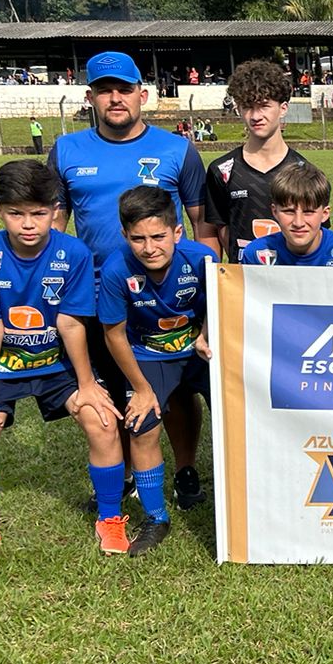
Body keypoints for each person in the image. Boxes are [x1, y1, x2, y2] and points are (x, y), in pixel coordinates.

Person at [46, 50, 207, 510]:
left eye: (124, 89)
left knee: (174, 389)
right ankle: (120, 477)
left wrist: (205, 296)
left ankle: (185, 468)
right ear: (90, 96)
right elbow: (56, 228)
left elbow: (202, 228)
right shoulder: (68, 149)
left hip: (167, 296)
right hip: (96, 294)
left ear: (143, 93)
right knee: (110, 390)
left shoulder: (177, 148)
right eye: (104, 90)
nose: (115, 98)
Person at [0, 160, 125, 574]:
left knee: (102, 421)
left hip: (58, 366)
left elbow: (70, 322)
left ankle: (110, 519)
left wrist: (86, 385)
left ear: (55, 209)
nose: (28, 224)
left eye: (38, 213)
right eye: (16, 213)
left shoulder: (74, 253)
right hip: (1, 369)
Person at [98, 187, 215, 556]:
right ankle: (156, 517)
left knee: (240, 415)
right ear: (124, 236)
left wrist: (205, 334)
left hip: (200, 350)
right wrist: (141, 388)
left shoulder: (203, 259)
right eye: (138, 239)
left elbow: (223, 302)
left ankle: (235, 499)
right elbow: (113, 334)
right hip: (146, 354)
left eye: (158, 236)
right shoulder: (117, 269)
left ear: (177, 232)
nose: (149, 247)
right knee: (141, 423)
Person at [200, 60, 308, 263]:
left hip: (292, 281)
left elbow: (317, 235)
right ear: (238, 109)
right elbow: (213, 230)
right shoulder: (221, 170)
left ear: (283, 108)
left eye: (264, 106)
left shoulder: (303, 170)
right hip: (243, 283)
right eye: (248, 107)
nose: (256, 116)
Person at [239, 164, 333, 267]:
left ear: (325, 214)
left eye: (308, 212)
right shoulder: (255, 254)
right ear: (275, 211)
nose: (298, 223)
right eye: (289, 211)